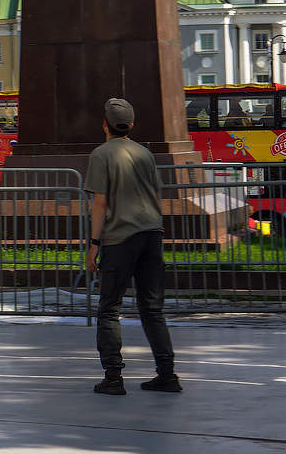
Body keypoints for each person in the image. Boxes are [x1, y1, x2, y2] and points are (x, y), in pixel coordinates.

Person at [84, 98, 181, 396]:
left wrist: (94, 244)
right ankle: (167, 374)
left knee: (110, 308)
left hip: (119, 237)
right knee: (153, 309)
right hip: (151, 234)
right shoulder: (145, 153)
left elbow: (100, 203)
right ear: (132, 125)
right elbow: (156, 192)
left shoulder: (101, 155)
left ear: (104, 124)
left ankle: (113, 377)